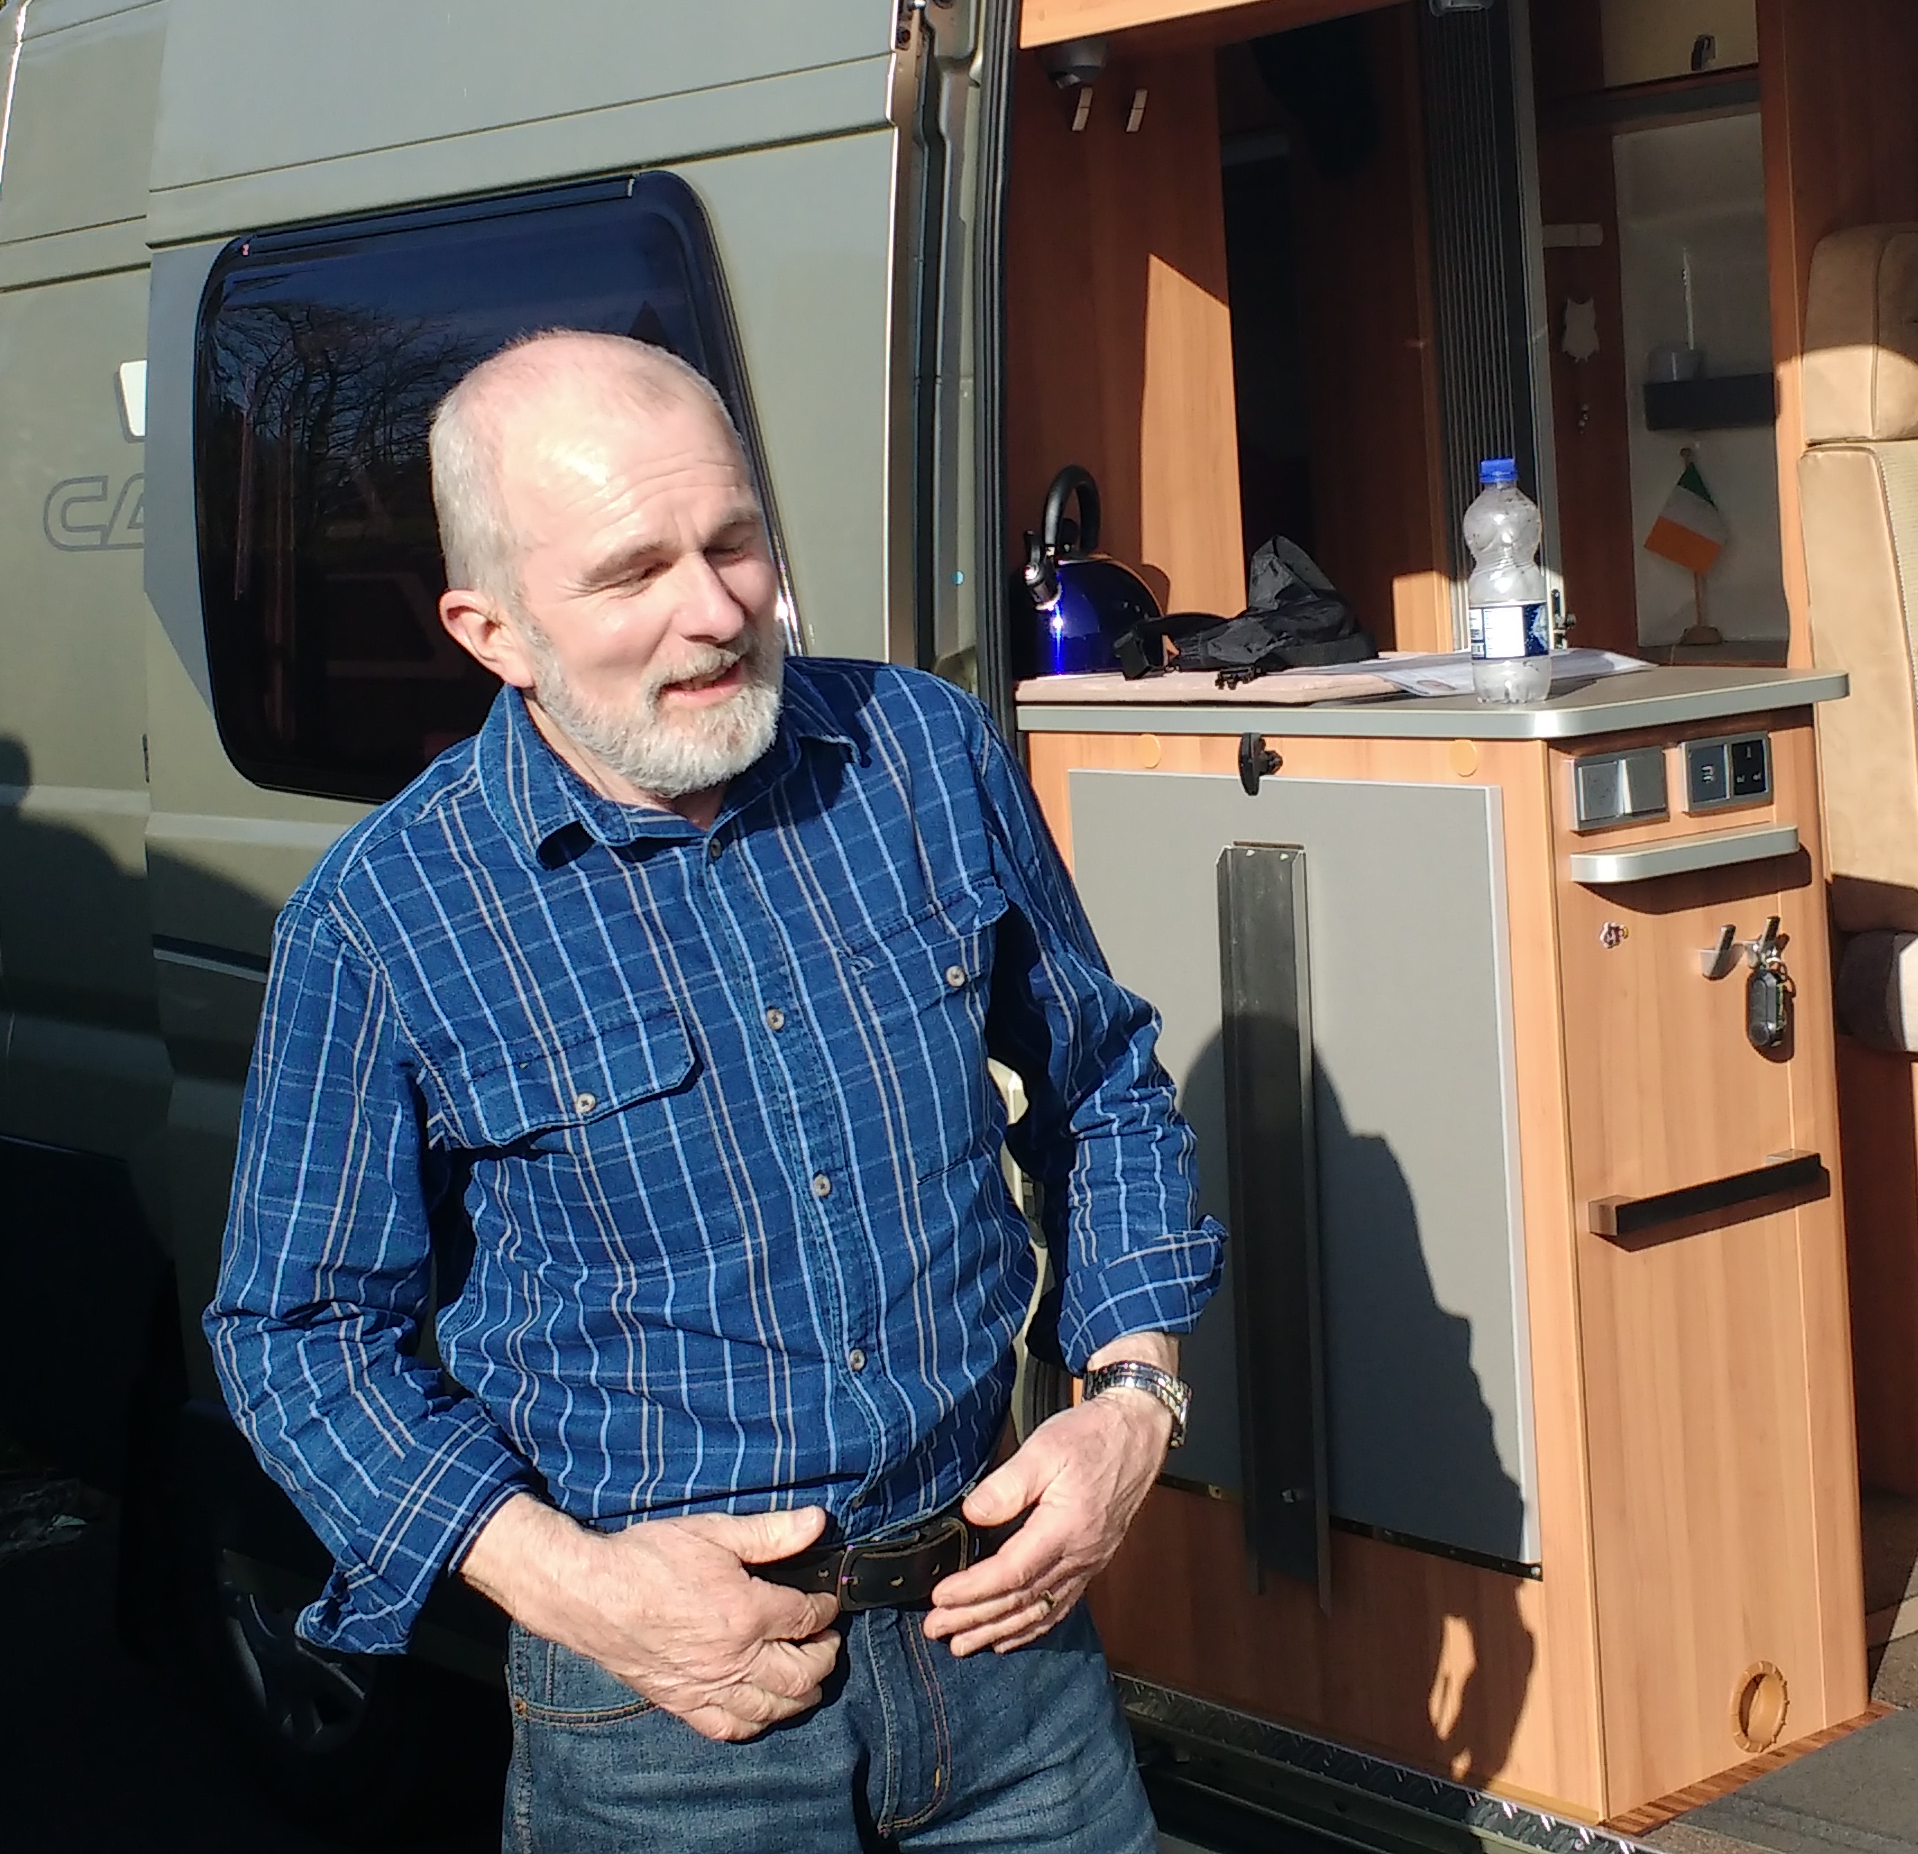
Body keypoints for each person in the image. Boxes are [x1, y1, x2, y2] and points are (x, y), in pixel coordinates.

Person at [205, 331, 1224, 1853]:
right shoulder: (386, 921)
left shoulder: (920, 754)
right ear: (493, 630)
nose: (718, 609)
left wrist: (1132, 1402)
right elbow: (295, 1334)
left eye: (734, 541)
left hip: (1010, 1653)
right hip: (666, 1722)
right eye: (633, 573)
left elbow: (1104, 1086)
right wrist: (576, 1588)